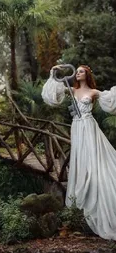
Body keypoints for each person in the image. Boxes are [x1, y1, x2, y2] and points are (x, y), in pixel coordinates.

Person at [41, 64, 116, 240]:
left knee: (94, 159)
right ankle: (84, 187)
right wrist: (54, 72)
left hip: (89, 127)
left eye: (81, 71)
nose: (78, 73)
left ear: (87, 74)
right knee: (81, 159)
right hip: (77, 128)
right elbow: (53, 97)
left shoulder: (93, 92)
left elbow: (112, 99)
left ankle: (96, 185)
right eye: (78, 71)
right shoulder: (72, 91)